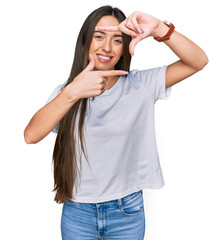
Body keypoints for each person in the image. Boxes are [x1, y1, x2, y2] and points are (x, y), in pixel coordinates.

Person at [24, 5, 208, 240]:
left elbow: (198, 61)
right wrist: (72, 93)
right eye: (99, 36)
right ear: (85, 41)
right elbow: (31, 135)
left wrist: (159, 28)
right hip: (78, 211)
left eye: (117, 40)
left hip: (127, 212)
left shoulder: (141, 84)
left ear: (125, 49)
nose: (107, 47)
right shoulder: (67, 93)